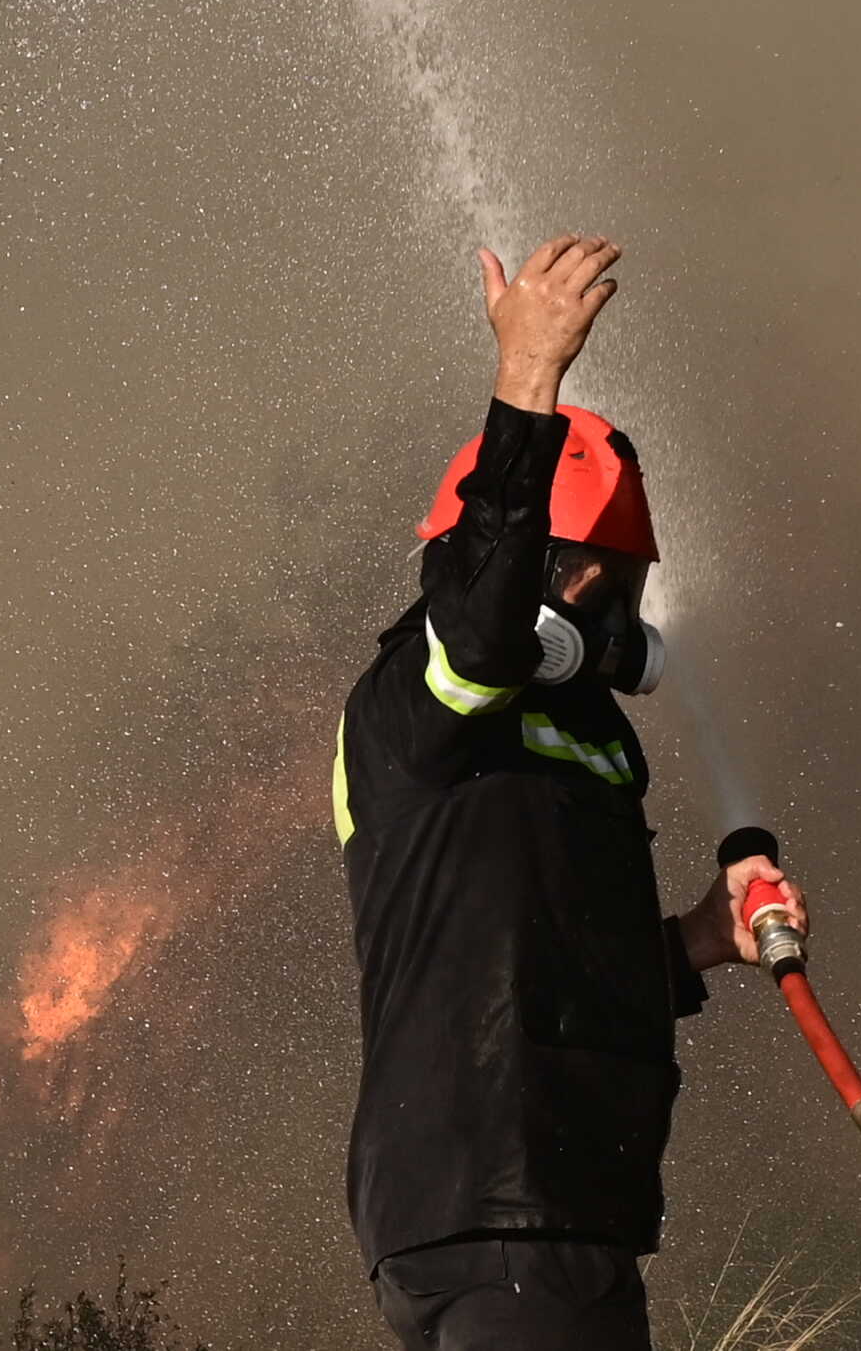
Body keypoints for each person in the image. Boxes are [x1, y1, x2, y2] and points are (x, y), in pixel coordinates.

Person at [333, 233, 809, 1351]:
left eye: (623, 579)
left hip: (564, 1213)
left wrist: (696, 942)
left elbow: (540, 966)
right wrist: (526, 386)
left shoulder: (581, 740)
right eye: (593, 570)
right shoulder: (420, 698)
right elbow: (480, 635)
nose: (612, 605)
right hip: (497, 1209)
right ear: (528, 566)